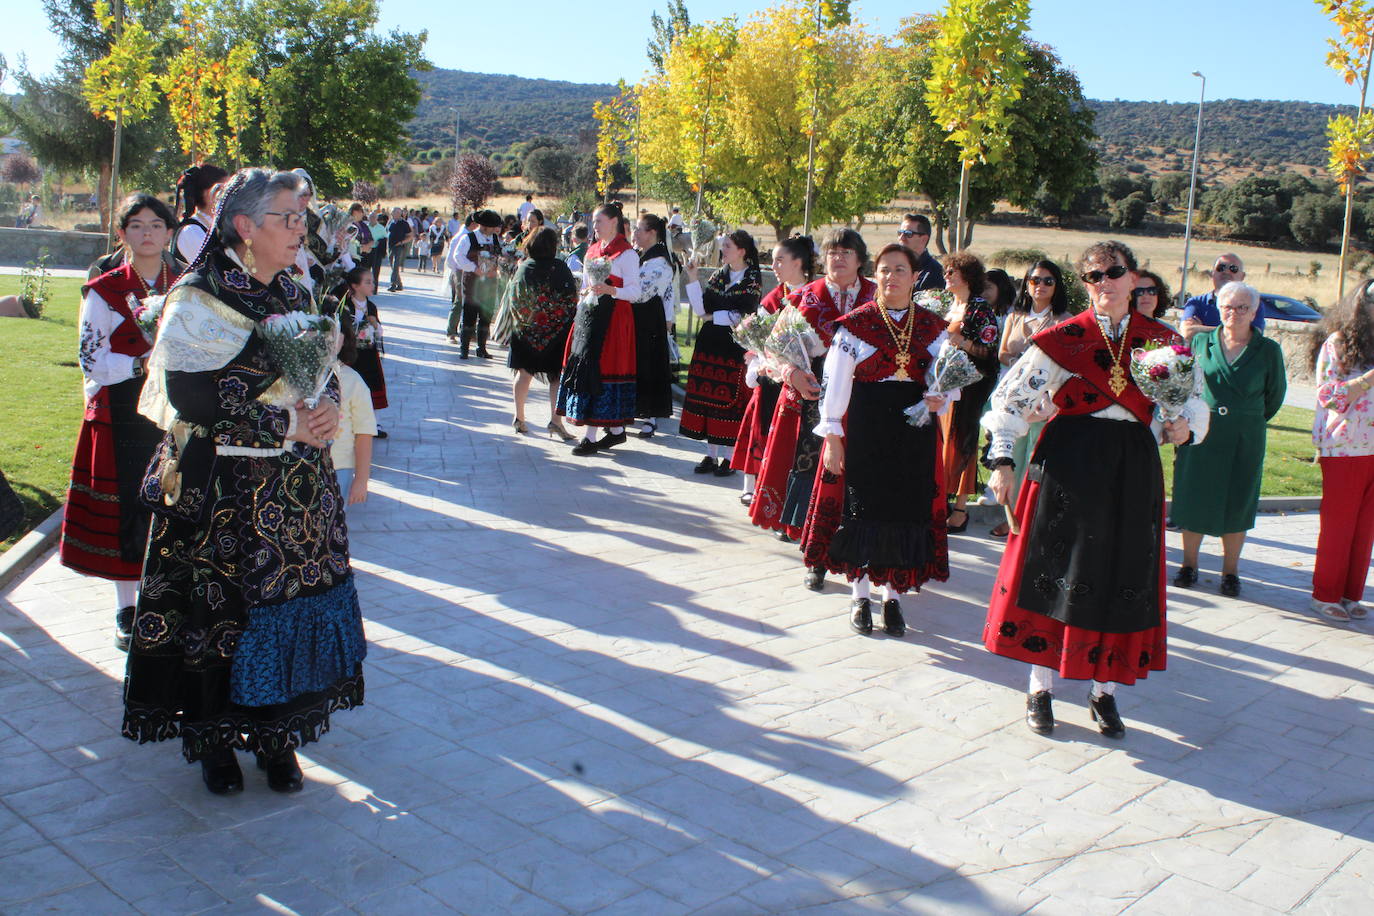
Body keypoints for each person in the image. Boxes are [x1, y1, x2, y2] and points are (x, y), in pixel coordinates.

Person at [124, 167, 366, 795]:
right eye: (287, 218)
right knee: (223, 616)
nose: (300, 229)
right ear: (244, 226)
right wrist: (285, 421)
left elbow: (322, 367)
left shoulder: (293, 289)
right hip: (225, 490)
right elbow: (191, 397)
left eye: (301, 217)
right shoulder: (199, 297)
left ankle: (277, 738)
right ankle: (214, 741)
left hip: (295, 495)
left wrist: (327, 408)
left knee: (288, 609)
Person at [982, 240, 1208, 738]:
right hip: (1069, 464)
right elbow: (1010, 399)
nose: (1104, 282)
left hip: (1133, 470)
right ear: (1084, 286)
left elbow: (1195, 406)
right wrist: (1001, 458)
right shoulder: (1063, 339)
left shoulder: (1163, 342)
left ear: (1133, 278)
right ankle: (1040, 688)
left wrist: (1185, 428)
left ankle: (1105, 692)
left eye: (1114, 272)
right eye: (1093, 276)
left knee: (1120, 574)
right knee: (1055, 571)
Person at [803, 244, 953, 637]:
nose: (891, 277)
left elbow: (948, 377)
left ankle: (893, 598)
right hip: (867, 425)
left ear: (916, 277)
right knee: (864, 510)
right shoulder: (856, 325)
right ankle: (859, 595)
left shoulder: (934, 328)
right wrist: (833, 434)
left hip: (914, 428)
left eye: (900, 270)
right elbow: (834, 383)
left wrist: (942, 395)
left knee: (904, 509)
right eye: (884, 270)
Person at [59, 192, 175, 651]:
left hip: (174, 411)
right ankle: (128, 608)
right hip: (121, 414)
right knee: (128, 506)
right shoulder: (105, 290)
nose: (147, 233)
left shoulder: (189, 285)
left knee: (172, 503)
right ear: (122, 233)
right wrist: (142, 363)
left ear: (169, 231)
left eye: (155, 225)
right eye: (136, 225)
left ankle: (164, 597)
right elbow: (90, 358)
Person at [750, 228, 875, 591]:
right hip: (811, 402)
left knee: (856, 482)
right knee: (817, 478)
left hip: (865, 404)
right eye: (833, 252)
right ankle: (816, 557)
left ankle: (857, 557)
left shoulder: (876, 297)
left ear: (860, 260)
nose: (838, 258)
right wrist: (791, 374)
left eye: (846, 252)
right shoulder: (805, 297)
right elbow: (769, 353)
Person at [1171, 282, 1286, 598]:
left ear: (1254, 311)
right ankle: (1189, 565)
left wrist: (1244, 417)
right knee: (1194, 497)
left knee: (1238, 502)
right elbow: (1183, 385)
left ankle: (1230, 572)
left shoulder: (1268, 350)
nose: (1234, 313)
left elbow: (1274, 397)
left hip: (1244, 437)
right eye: (1228, 307)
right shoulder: (1200, 342)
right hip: (1201, 432)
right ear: (1219, 309)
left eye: (1242, 307)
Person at [1309, 278, 1374, 624]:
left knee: (1366, 528)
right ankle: (1325, 595)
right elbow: (1329, 395)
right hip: (1345, 445)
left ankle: (1352, 594)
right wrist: (1369, 378)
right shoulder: (1338, 343)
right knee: (1340, 524)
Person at [992, 259, 1071, 533]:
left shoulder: (1063, 320)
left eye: (1048, 281)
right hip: (1013, 396)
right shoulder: (1015, 316)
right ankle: (1011, 514)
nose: (1040, 286)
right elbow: (1001, 353)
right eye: (1035, 280)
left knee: (1036, 457)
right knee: (1011, 455)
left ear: (1056, 286)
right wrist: (1019, 360)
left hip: (1044, 400)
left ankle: (1034, 513)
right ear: (1027, 284)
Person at [556, 202, 640, 455]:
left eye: (599, 221)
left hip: (613, 320)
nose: (594, 226)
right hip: (590, 316)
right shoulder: (592, 250)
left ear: (614, 222)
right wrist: (584, 296)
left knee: (601, 369)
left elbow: (636, 292)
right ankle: (613, 431)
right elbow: (585, 283)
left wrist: (612, 290)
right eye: (594, 222)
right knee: (585, 365)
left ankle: (592, 436)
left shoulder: (627, 254)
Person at [735, 236, 815, 504]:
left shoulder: (814, 295)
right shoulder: (774, 297)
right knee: (762, 425)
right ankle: (753, 483)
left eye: (780, 260)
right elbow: (758, 336)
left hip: (804, 377)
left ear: (799, 262)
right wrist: (757, 361)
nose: (774, 265)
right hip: (772, 374)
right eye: (773, 260)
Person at [681, 229, 763, 475]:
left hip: (732, 346)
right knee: (710, 400)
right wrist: (693, 277)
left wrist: (713, 316)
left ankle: (729, 457)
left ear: (741, 251)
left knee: (729, 401)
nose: (723, 250)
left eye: (728, 246)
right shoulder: (719, 275)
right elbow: (700, 309)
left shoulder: (752, 278)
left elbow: (743, 314)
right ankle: (711, 456)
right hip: (709, 344)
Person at [938, 253, 1000, 535]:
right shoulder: (947, 306)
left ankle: (960, 508)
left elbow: (989, 351)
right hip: (941, 386)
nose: (947, 276)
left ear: (968, 276)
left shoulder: (979, 309)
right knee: (940, 442)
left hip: (968, 387)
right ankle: (940, 500)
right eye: (946, 271)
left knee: (962, 443)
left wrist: (960, 341)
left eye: (953, 272)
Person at [502, 226, 578, 440]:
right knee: (556, 377)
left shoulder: (524, 267)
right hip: (555, 333)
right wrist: (553, 322)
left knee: (523, 373)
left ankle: (519, 418)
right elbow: (570, 300)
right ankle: (556, 421)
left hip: (525, 331)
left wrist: (528, 322)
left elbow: (513, 299)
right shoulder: (560, 268)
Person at [629, 213, 677, 437]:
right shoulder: (643, 255)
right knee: (636, 365)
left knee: (649, 366)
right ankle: (633, 408)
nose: (635, 233)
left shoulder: (660, 261)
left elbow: (643, 293)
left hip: (649, 320)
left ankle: (650, 417)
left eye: (639, 229)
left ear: (652, 233)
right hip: (637, 319)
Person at [337, 264, 389, 438]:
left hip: (368, 352)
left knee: (372, 385)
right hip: (350, 354)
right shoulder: (344, 305)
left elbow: (379, 330)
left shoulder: (371, 306)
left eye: (372, 282)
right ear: (355, 285)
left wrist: (375, 324)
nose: (372, 285)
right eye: (367, 282)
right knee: (351, 385)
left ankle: (374, 422)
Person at [332, 315, 378, 509]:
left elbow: (364, 433)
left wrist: (361, 480)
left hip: (339, 467)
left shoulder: (353, 381)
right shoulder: (296, 378)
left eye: (334, 333)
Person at [446, 209, 502, 357]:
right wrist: (474, 269)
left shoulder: (495, 239)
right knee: (469, 314)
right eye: (493, 227)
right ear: (484, 226)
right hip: (472, 281)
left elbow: (500, 257)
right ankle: (464, 348)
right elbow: (458, 256)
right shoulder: (468, 238)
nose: (495, 229)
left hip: (489, 282)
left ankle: (481, 348)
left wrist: (496, 268)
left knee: (485, 316)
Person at [1181, 253, 1264, 340]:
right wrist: (1236, 331)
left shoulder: (1253, 303)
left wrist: (1200, 328)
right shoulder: (1196, 302)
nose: (1226, 272)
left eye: (1233, 269)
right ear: (1212, 273)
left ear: (1242, 276)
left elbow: (1254, 336)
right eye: (1221, 268)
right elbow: (1187, 332)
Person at [171, 164, 229, 264]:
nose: (230, 195)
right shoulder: (191, 231)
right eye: (226, 190)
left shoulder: (216, 226)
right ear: (210, 193)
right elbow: (216, 269)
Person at [897, 213, 944, 293]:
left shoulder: (934, 273)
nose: (901, 238)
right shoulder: (893, 266)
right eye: (900, 233)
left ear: (924, 239)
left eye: (908, 234)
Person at [385, 207, 412, 292]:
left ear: (400, 214)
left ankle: (393, 284)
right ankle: (399, 284)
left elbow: (410, 236)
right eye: (393, 212)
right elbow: (387, 232)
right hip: (390, 246)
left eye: (396, 212)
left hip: (399, 246)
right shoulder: (390, 222)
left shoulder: (404, 223)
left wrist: (401, 242)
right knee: (392, 266)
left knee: (395, 265)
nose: (393, 214)